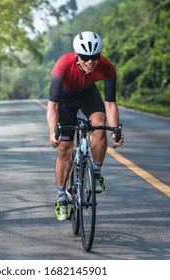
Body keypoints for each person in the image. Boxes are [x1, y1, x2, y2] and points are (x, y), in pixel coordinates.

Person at [46, 31, 124, 221]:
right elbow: (52, 105)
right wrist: (52, 132)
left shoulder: (106, 67)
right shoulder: (63, 65)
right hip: (65, 98)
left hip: (88, 94)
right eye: (86, 57)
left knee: (100, 126)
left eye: (94, 57)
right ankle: (61, 196)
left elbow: (110, 104)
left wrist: (115, 130)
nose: (90, 62)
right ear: (76, 55)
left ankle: (95, 172)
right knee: (65, 147)